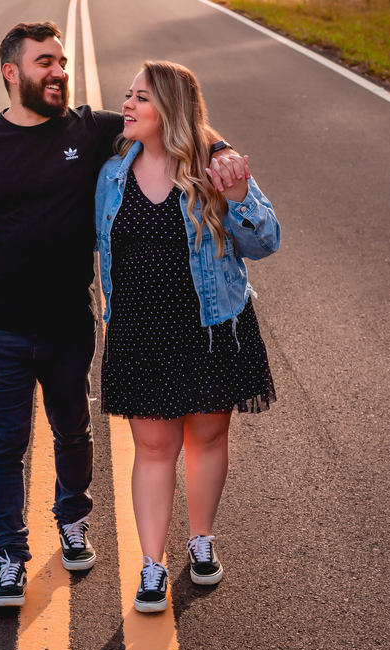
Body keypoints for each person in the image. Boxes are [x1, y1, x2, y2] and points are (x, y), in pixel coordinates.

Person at [0, 22, 125, 607]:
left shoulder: (89, 131)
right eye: (45, 62)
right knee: (5, 445)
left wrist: (218, 149)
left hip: (70, 323)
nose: (60, 72)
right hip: (0, 331)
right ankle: (9, 557)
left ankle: (72, 521)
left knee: (73, 428)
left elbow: (169, 118)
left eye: (63, 62)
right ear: (11, 73)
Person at [94, 60, 281, 613]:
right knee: (153, 449)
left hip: (210, 328)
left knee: (206, 440)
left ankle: (201, 542)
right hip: (140, 330)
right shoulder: (111, 173)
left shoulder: (214, 171)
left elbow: (266, 242)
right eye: (128, 95)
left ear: (171, 109)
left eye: (141, 98)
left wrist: (242, 193)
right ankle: (152, 565)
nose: (127, 105)